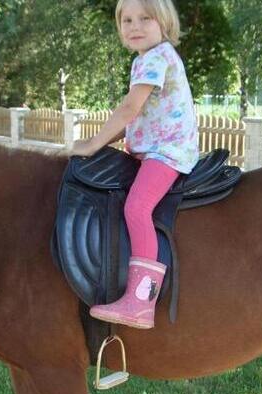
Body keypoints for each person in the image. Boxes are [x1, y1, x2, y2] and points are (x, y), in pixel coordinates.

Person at [71, 0, 198, 329]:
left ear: (164, 23)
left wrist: (94, 143)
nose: (134, 26)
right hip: (155, 148)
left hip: (167, 152)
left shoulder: (155, 58)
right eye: (126, 20)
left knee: (137, 207)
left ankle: (141, 301)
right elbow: (142, 115)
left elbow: (130, 109)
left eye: (145, 18)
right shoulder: (149, 58)